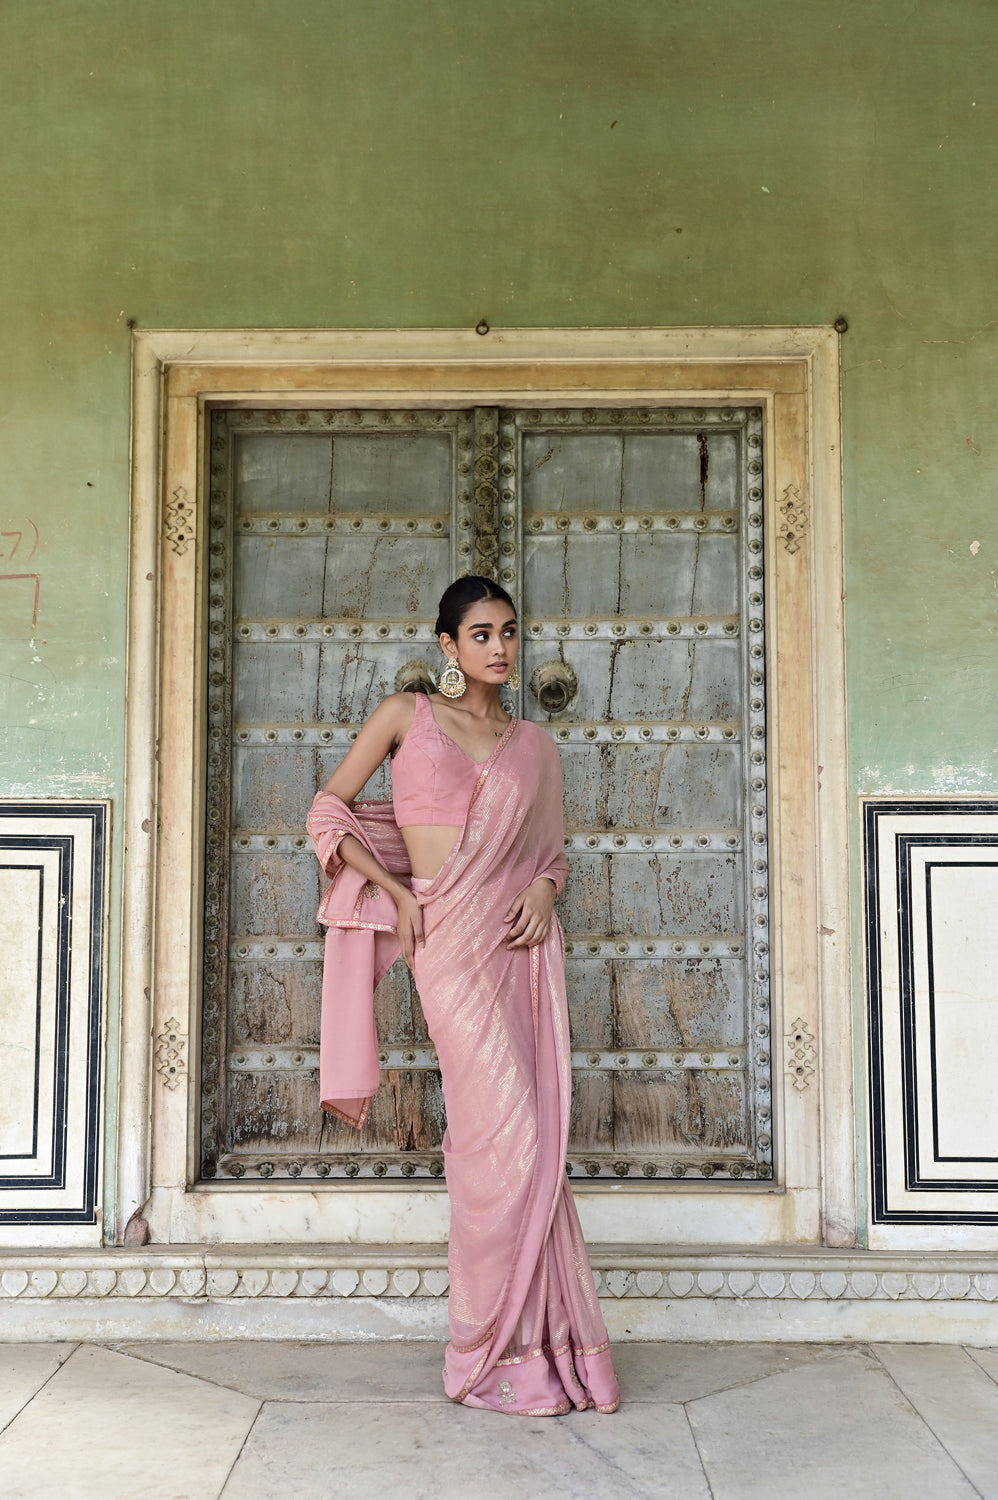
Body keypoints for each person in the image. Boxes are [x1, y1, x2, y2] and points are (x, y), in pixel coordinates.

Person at [306, 576, 620, 1416]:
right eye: (481, 634)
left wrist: (546, 890)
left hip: (515, 947)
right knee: (500, 1136)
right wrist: (396, 891)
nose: (500, 647)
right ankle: (484, 1353)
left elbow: (551, 856)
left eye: (508, 632)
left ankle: (538, 1346)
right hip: (443, 940)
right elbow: (328, 813)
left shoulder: (535, 747)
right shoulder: (404, 716)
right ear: (447, 645)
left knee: (528, 1140)